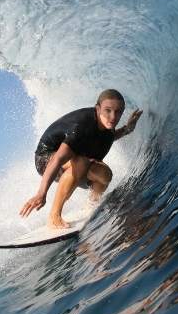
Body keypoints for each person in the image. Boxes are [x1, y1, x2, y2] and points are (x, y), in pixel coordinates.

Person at [19, 89, 143, 229]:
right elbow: (58, 159)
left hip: (73, 163)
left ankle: (91, 205)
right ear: (98, 108)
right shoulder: (82, 126)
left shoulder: (107, 127)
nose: (113, 117)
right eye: (107, 110)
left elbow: (109, 137)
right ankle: (54, 216)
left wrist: (127, 128)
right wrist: (41, 193)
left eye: (118, 112)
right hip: (46, 159)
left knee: (105, 175)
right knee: (82, 162)